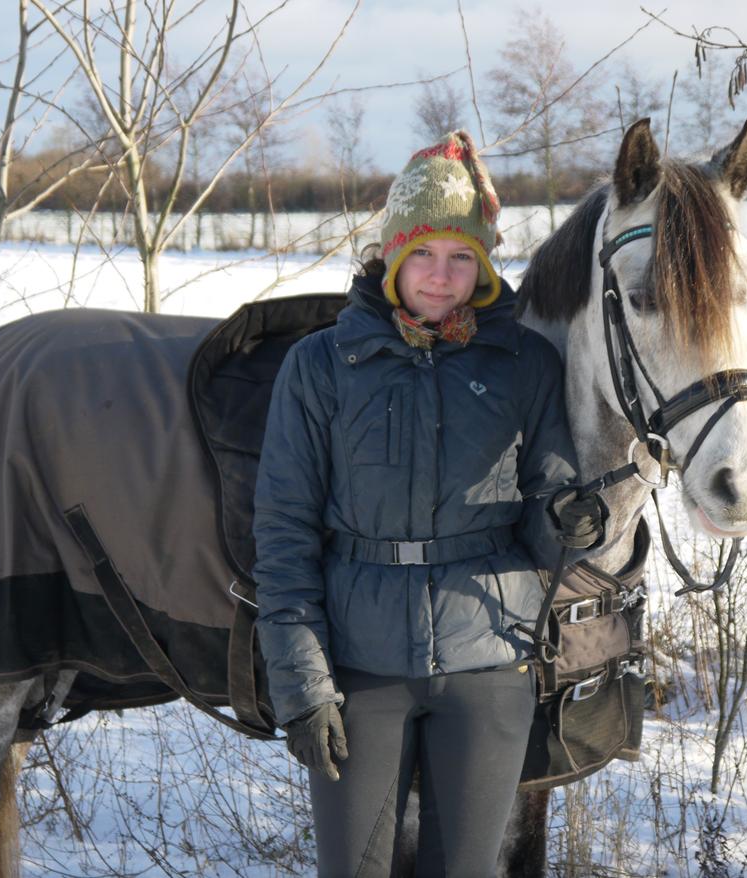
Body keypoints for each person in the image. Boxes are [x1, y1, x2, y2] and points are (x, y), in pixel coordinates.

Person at [252, 130, 595, 877]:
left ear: (483, 266)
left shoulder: (523, 364)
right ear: (393, 258)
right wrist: (303, 687)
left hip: (489, 666)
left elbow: (547, 518)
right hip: (359, 668)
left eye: (462, 257)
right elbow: (282, 535)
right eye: (426, 256)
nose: (441, 278)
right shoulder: (322, 366)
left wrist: (570, 520)